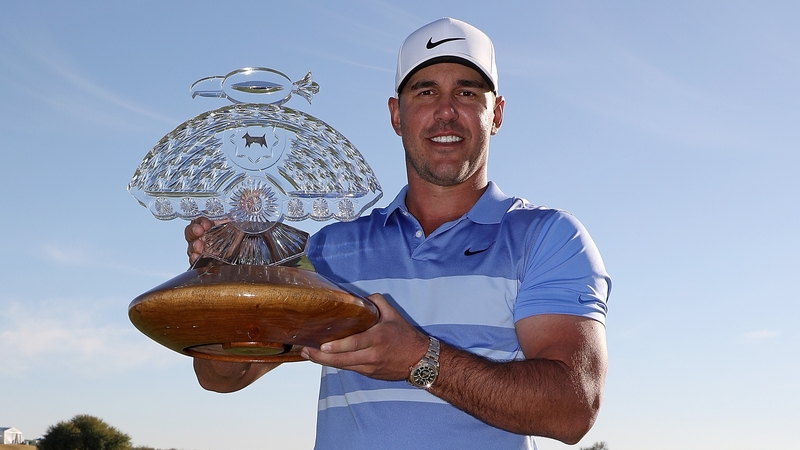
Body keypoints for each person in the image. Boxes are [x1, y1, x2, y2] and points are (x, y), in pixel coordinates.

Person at [186, 17, 611, 450]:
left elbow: (574, 407)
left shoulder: (548, 237)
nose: (446, 111)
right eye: (425, 91)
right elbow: (223, 374)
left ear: (496, 114)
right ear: (396, 115)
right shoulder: (331, 251)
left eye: (466, 92)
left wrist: (419, 359)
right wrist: (224, 286)